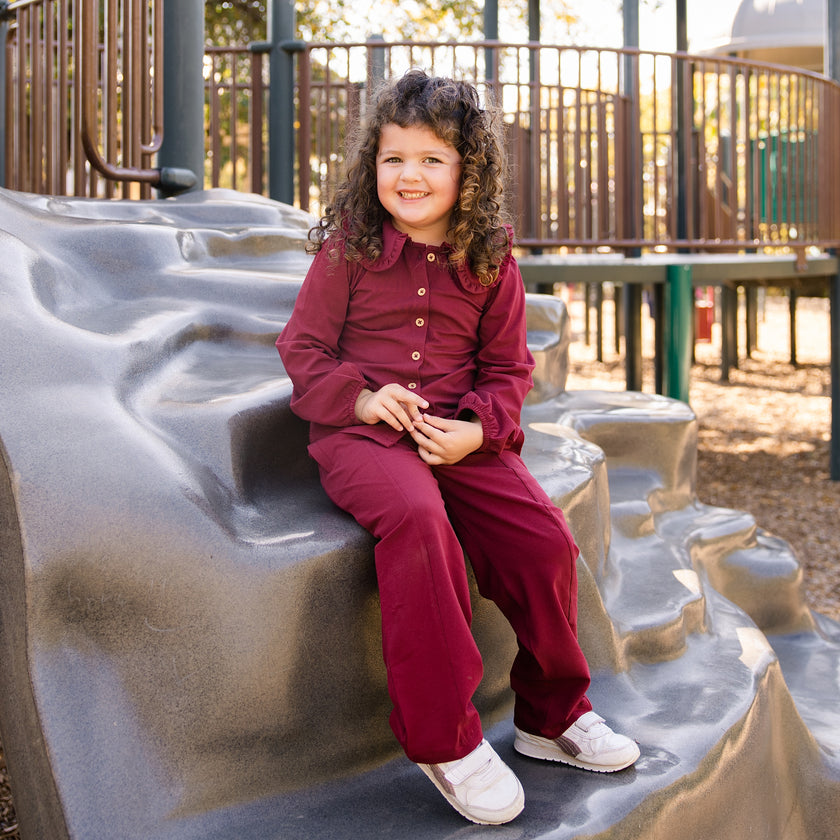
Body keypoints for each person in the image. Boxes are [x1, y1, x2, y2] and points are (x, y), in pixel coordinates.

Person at [276, 69, 639, 826]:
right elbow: (304, 349)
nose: (409, 175)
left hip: (462, 435)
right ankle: (444, 740)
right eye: (393, 158)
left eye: (431, 159)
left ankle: (551, 716)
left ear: (467, 171)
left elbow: (508, 369)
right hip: (363, 433)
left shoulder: (491, 258)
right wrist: (364, 397)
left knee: (541, 540)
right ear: (371, 165)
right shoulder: (349, 248)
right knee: (416, 519)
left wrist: (479, 429)